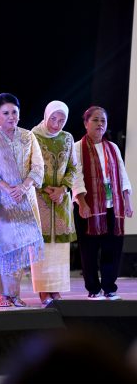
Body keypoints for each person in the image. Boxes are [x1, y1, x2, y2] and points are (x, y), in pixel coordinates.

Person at [0, 93, 44, 307]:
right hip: (2, 201)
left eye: (14, 112)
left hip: (25, 200)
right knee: (3, 248)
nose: (11, 117)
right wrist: (6, 188)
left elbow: (38, 166)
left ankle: (14, 294)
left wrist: (24, 187)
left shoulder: (28, 136)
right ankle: (2, 294)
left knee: (20, 249)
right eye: (6, 113)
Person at [73, 106, 132, 300]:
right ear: (86, 123)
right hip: (88, 207)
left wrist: (127, 201)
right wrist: (82, 202)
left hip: (112, 206)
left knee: (112, 249)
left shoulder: (112, 147)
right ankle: (93, 289)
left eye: (103, 121)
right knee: (89, 250)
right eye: (95, 120)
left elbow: (122, 174)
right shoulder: (77, 147)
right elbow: (76, 177)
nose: (100, 124)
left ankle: (109, 288)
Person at [31, 101, 77, 305]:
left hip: (61, 199)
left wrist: (63, 189)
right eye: (53, 119)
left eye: (62, 120)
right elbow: (29, 166)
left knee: (59, 247)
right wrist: (44, 188)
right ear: (46, 116)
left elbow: (73, 167)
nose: (57, 124)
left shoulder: (68, 138)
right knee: (41, 245)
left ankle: (56, 288)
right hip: (39, 197)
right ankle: (43, 290)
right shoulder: (33, 136)